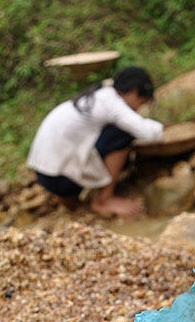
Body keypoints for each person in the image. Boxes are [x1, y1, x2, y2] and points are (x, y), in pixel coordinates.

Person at [27, 66, 163, 218]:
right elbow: (149, 133)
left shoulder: (100, 94)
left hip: (45, 174)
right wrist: (167, 129)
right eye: (141, 103)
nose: (137, 109)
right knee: (123, 133)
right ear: (133, 92)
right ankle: (103, 200)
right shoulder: (112, 103)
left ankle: (71, 199)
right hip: (59, 179)